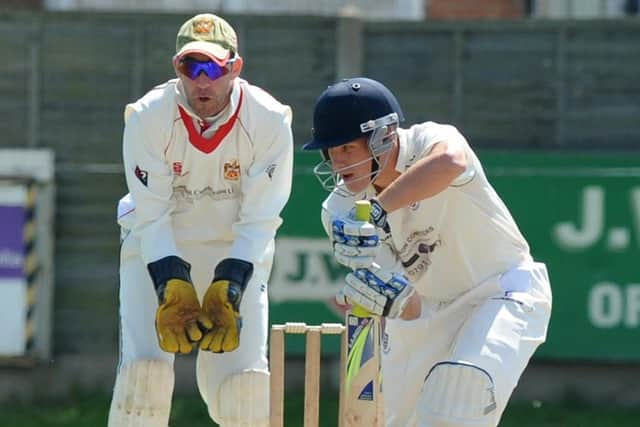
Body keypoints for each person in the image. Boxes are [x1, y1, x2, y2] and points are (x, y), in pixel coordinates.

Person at [303, 77, 552, 427]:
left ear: (381, 136)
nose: (337, 164)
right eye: (330, 152)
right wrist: (389, 298)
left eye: (347, 149)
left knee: (456, 400)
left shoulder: (431, 139)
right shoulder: (339, 211)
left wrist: (377, 210)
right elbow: (412, 305)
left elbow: (450, 163)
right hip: (430, 312)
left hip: (502, 290)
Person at [107, 13, 293, 427]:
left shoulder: (269, 120)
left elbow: (261, 219)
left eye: (213, 67)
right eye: (191, 67)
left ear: (235, 68)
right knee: (145, 382)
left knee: (244, 393)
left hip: (235, 249)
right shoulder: (147, 116)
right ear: (177, 68)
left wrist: (230, 283)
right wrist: (171, 282)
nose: (202, 81)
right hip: (155, 249)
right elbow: (151, 214)